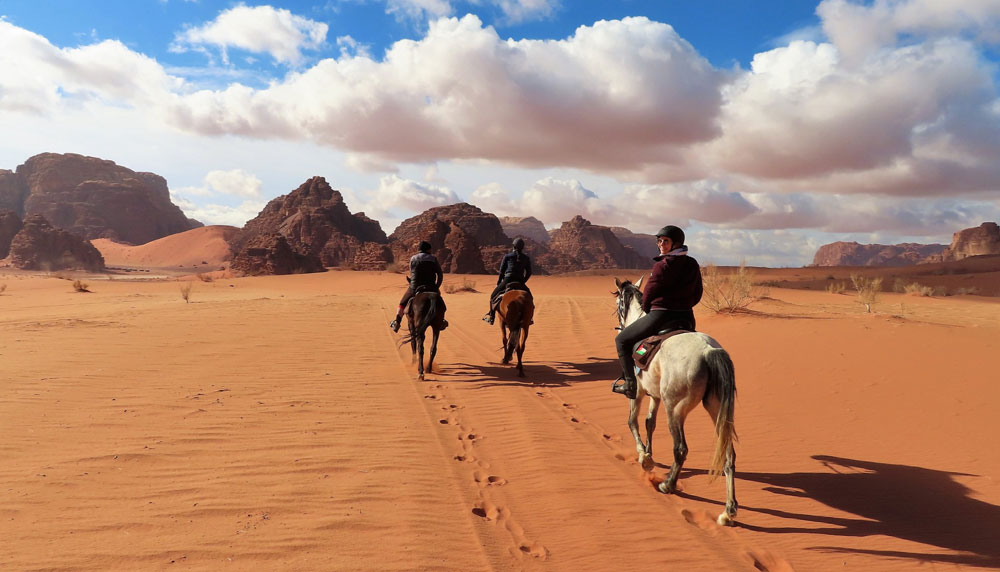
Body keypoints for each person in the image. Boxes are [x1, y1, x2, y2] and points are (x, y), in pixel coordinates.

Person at [612, 225, 703, 398]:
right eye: (659, 241)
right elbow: (698, 292)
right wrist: (685, 305)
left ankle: (630, 384)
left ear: (676, 244)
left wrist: (648, 309)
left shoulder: (663, 265)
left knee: (622, 340)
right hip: (687, 317)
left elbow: (649, 292)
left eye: (665, 241)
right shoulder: (692, 263)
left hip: (661, 315)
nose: (661, 244)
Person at [390, 240, 448, 333]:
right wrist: (436, 286)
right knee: (441, 304)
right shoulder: (433, 258)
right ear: (428, 249)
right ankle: (441, 320)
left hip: (415, 286)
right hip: (431, 286)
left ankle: (397, 322)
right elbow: (440, 274)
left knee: (402, 303)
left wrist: (412, 282)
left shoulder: (413, 258)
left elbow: (412, 272)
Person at [483, 237, 532, 325]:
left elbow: (502, 271)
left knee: (493, 296)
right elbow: (529, 272)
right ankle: (529, 318)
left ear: (513, 246)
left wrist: (499, 282)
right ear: (522, 247)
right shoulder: (526, 258)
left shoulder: (508, 256)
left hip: (508, 279)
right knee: (530, 298)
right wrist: (523, 281)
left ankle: (491, 316)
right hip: (520, 280)